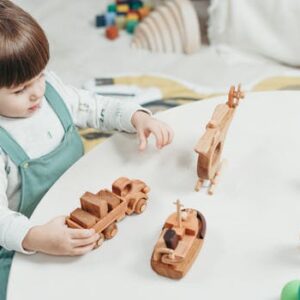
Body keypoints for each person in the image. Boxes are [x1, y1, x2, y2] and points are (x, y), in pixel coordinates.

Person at [0, 0, 174, 298]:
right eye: (20, 90)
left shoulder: (51, 92)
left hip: (84, 204)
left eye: (40, 75)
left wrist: (136, 117)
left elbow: (98, 107)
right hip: (30, 236)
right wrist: (35, 237)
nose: (37, 92)